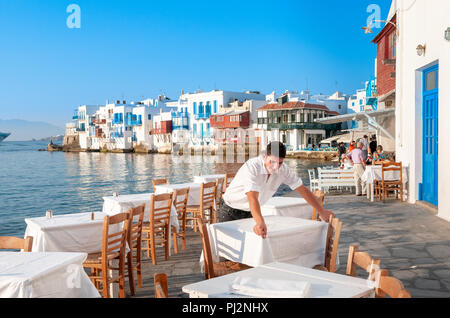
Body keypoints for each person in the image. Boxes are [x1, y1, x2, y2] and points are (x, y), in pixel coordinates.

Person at [218, 141, 335, 238]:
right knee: (225, 253)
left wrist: (321, 211)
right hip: (230, 210)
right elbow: (252, 197)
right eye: (272, 162)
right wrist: (260, 221)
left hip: (250, 212)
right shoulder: (252, 167)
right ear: (264, 156)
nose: (275, 167)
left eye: (279, 163)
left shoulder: (283, 170)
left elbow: (302, 190)